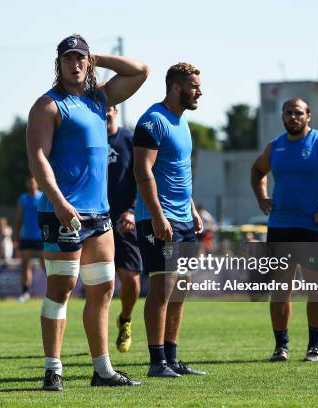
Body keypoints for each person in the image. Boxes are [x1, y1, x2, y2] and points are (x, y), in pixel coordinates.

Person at [26, 34, 147, 390]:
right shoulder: (48, 105)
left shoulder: (100, 99)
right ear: (59, 64)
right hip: (63, 213)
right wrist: (60, 203)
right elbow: (38, 159)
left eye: (81, 59)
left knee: (103, 289)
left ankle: (103, 370)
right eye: (69, 59)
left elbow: (140, 71)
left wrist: (98, 58)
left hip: (100, 216)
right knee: (61, 288)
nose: (76, 64)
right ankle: (53, 369)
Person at [251, 97, 318, 362]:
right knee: (280, 290)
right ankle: (281, 347)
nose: (293, 118)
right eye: (288, 113)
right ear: (283, 116)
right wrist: (261, 197)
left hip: (312, 230)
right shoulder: (275, 147)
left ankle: (314, 348)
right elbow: (257, 170)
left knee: (316, 289)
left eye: (298, 113)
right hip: (279, 228)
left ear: (308, 115)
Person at [133, 62, 206, 377]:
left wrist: (191, 208)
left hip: (183, 219)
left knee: (181, 290)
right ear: (177, 88)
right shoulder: (153, 121)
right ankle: (156, 361)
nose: (199, 91)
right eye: (194, 86)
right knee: (162, 289)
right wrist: (159, 216)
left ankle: (173, 358)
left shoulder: (182, 122)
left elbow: (177, 171)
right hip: (157, 219)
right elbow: (142, 171)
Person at [106, 105, 143, 353]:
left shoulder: (130, 140)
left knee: (130, 280)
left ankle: (125, 319)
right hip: (94, 221)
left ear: (116, 110)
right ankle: (99, 343)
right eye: (101, 108)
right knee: (100, 283)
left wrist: (132, 210)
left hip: (124, 221)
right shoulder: (88, 140)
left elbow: (144, 177)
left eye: (109, 108)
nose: (106, 113)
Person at [14, 176, 44, 303]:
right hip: (26, 237)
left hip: (41, 238)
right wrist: (16, 238)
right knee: (25, 266)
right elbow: (19, 219)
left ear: (37, 183)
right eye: (29, 181)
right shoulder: (22, 199)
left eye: (33, 181)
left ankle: (53, 292)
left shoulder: (43, 196)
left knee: (46, 266)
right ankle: (25, 292)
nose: (31, 184)